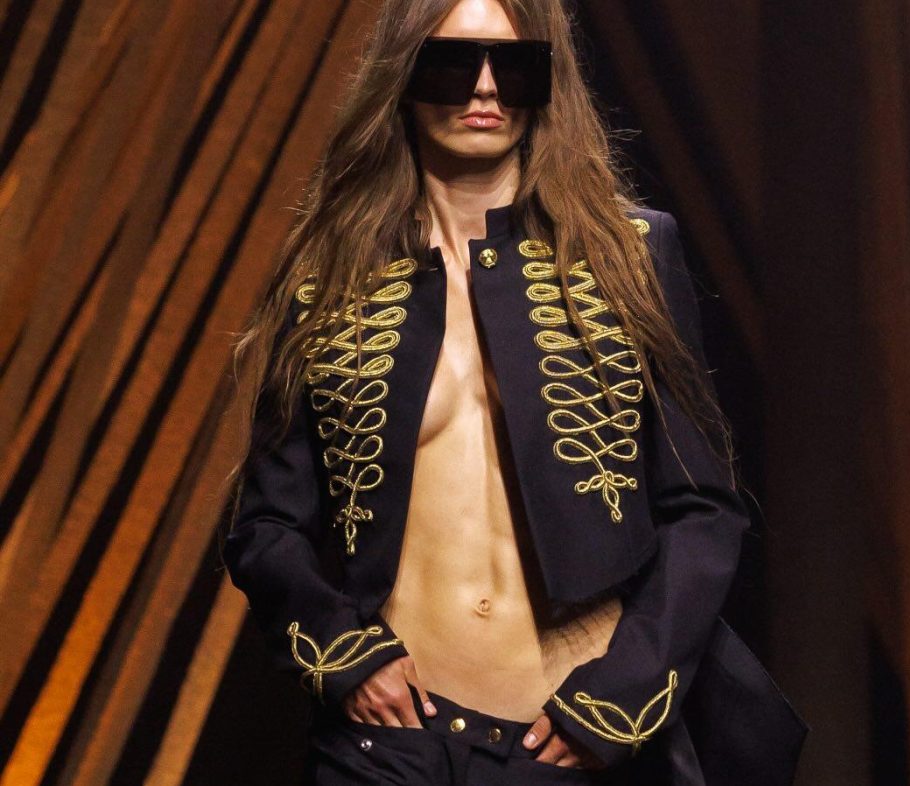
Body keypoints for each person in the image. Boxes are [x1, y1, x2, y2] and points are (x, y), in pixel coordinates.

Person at [219, 0, 808, 784]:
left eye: (515, 64)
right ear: (403, 76)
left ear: (547, 81)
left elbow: (702, 509)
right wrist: (344, 655)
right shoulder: (327, 280)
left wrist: (618, 700)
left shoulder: (630, 257)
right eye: (453, 62)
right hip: (386, 742)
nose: (486, 88)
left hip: (570, 739)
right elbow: (266, 523)